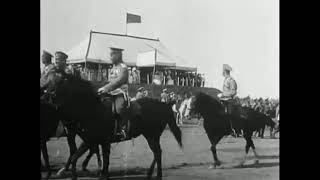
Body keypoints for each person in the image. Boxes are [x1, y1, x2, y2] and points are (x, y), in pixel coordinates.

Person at [97, 47, 129, 140]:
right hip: (111, 93)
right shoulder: (113, 68)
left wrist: (106, 88)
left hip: (120, 93)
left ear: (118, 55)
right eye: (110, 55)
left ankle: (123, 129)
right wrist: (103, 89)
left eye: (112, 55)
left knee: (119, 108)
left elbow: (119, 81)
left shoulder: (123, 67)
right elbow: (111, 82)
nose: (110, 57)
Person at [217, 64, 238, 137]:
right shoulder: (226, 79)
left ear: (225, 72)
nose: (222, 73)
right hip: (223, 100)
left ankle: (233, 130)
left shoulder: (231, 80)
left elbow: (233, 92)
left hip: (229, 100)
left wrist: (223, 94)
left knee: (229, 115)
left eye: (223, 71)